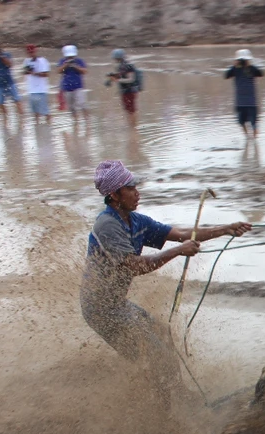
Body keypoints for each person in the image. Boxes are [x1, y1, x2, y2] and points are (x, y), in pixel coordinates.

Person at [81, 160, 252, 389]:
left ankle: (173, 394)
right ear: (114, 194)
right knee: (157, 358)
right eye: (130, 188)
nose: (137, 193)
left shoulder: (136, 221)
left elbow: (181, 233)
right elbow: (137, 266)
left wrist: (225, 229)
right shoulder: (107, 225)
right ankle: (164, 414)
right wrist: (179, 251)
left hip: (117, 304)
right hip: (102, 310)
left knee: (163, 336)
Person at [224, 49, 264, 138]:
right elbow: (226, 75)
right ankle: (247, 137)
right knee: (241, 122)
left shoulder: (252, 69)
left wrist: (250, 66)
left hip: (251, 101)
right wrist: (234, 65)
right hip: (240, 101)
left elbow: (261, 73)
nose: (243, 62)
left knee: (253, 123)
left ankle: (254, 140)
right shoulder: (235, 70)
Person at [0, 41, 23, 121]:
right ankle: (6, 119)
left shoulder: (6, 54)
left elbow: (9, 64)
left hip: (9, 81)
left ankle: (21, 118)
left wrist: (1, 56)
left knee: (17, 100)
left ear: (0, 46)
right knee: (0, 103)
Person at [107, 49, 139, 126]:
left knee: (131, 110)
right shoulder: (121, 66)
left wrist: (117, 80)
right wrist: (114, 76)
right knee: (129, 110)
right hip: (125, 91)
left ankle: (133, 127)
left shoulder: (127, 66)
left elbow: (131, 79)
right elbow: (121, 75)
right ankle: (132, 126)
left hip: (130, 91)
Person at [57, 45, 88, 122]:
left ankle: (87, 120)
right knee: (71, 107)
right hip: (67, 87)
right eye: (69, 57)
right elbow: (59, 71)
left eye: (72, 56)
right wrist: (66, 64)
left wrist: (75, 66)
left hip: (78, 86)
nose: (70, 58)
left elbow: (84, 71)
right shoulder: (62, 61)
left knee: (82, 104)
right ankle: (75, 121)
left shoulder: (79, 61)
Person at [22, 44, 50, 124]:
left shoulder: (42, 60)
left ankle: (48, 125)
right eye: (29, 52)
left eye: (32, 52)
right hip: (31, 90)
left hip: (41, 90)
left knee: (45, 111)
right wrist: (27, 72)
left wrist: (35, 73)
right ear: (27, 53)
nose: (31, 54)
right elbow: (24, 73)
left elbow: (46, 74)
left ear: (35, 51)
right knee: (35, 112)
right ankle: (37, 126)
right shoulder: (26, 61)